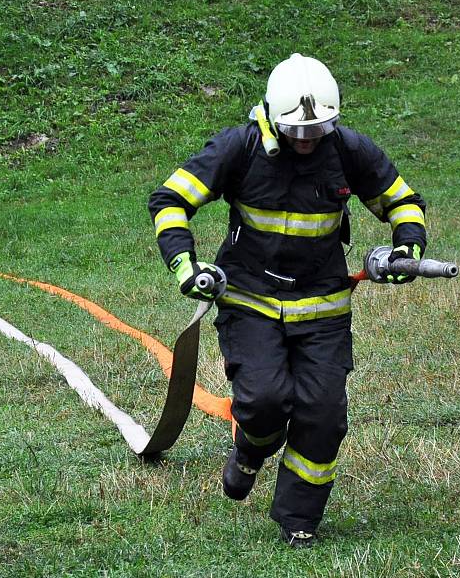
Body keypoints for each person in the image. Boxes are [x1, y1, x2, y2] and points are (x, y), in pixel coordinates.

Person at [148, 54, 427, 547]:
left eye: (315, 130)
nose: (305, 140)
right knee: (263, 401)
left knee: (323, 412)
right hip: (250, 297)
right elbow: (171, 200)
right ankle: (251, 451)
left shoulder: (348, 149)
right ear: (273, 117)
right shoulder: (239, 147)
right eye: (295, 131)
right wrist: (185, 266)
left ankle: (299, 518)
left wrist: (407, 246)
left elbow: (401, 201)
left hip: (322, 306)